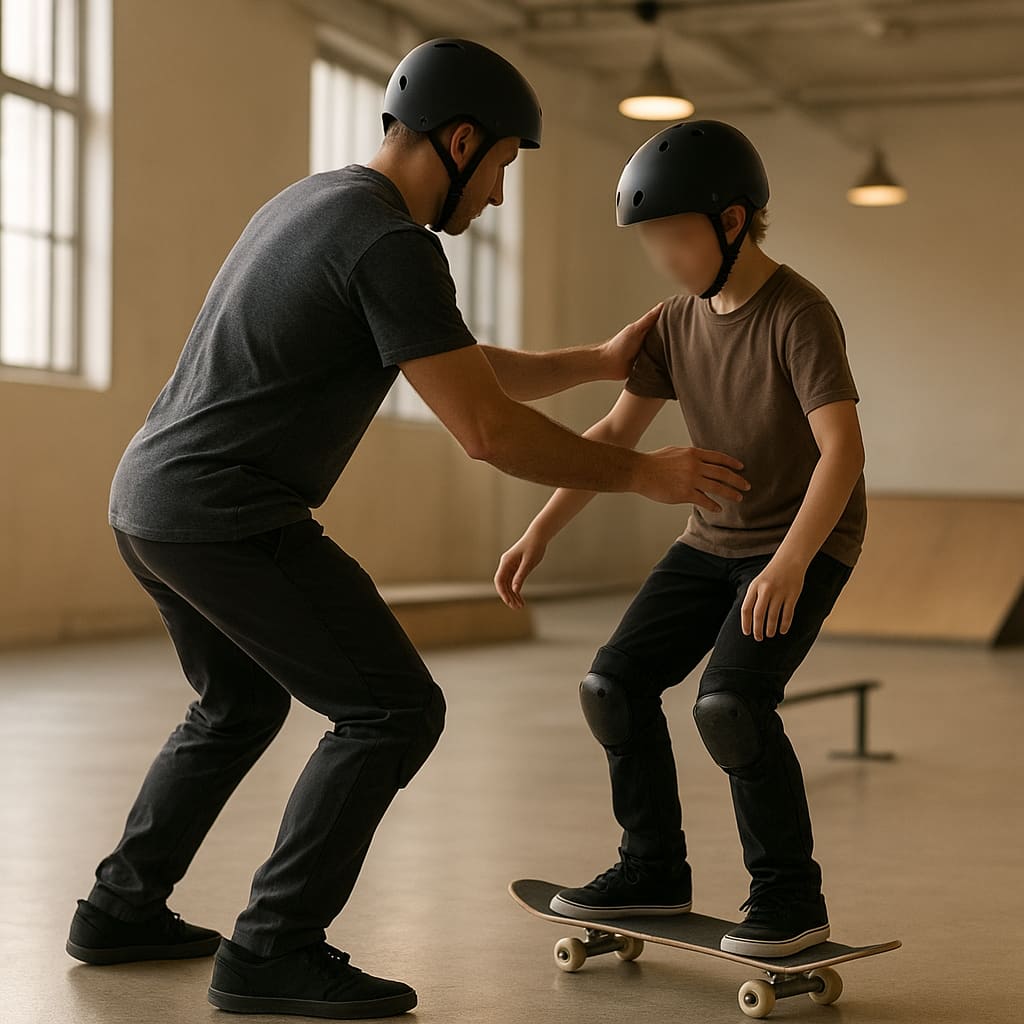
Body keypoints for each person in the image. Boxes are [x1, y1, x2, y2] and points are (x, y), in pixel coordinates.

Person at [64, 40, 750, 1020]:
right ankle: (273, 947)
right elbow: (486, 428)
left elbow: (456, 361)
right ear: (460, 140)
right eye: (504, 166)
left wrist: (598, 361)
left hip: (152, 503)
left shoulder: (319, 204)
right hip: (227, 512)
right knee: (392, 709)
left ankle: (118, 909)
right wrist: (641, 471)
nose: (499, 197)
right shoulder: (390, 242)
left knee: (237, 706)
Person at [495, 120, 866, 958]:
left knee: (731, 706)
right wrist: (541, 528)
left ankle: (789, 898)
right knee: (612, 685)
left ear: (732, 223)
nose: (660, 257)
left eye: (673, 236)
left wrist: (792, 560)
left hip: (806, 540)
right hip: (712, 540)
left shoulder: (798, 313)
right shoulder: (672, 322)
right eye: (649, 240)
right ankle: (652, 867)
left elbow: (843, 449)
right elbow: (616, 433)